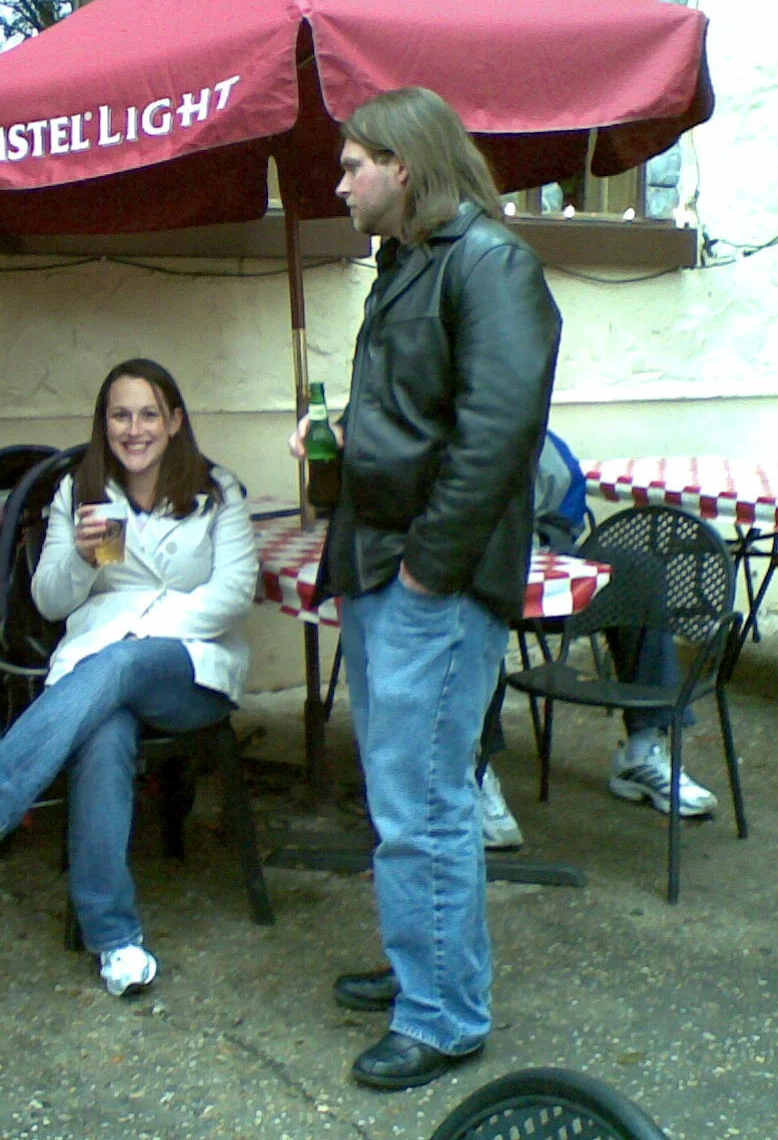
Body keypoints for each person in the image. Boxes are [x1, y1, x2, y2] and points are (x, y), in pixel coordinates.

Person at [291, 87, 560, 1091]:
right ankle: (425, 965)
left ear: (403, 165)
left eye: (352, 165)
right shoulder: (408, 264)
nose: (340, 184)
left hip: (428, 581)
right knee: (398, 797)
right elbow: (418, 421)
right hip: (379, 567)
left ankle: (443, 1014)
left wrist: (426, 570)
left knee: (427, 803)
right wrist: (338, 442)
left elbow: (496, 439)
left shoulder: (491, 265)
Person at [0, 358, 258, 999]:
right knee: (103, 737)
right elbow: (49, 601)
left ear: (174, 421)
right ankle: (115, 939)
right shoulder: (82, 491)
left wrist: (141, 633)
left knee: (124, 662)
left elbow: (233, 594)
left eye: (149, 414)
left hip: (191, 666)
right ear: (104, 423)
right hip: (100, 671)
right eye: (120, 415)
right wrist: (77, 555)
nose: (134, 429)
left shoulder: (216, 490)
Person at [476, 430, 720, 850]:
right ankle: (470, 768)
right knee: (468, 606)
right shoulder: (415, 416)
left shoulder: (534, 433)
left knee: (639, 573)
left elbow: (566, 507)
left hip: (535, 563)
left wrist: (544, 540)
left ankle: (642, 750)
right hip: (454, 570)